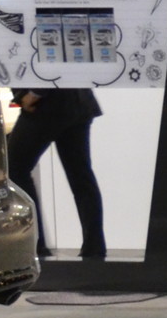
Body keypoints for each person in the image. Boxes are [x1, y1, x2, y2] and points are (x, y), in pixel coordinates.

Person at [7, 87, 106, 261]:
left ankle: (36, 245)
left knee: (15, 169)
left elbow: (44, 65)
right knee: (80, 176)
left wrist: (34, 94)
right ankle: (94, 247)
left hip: (47, 104)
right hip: (77, 101)